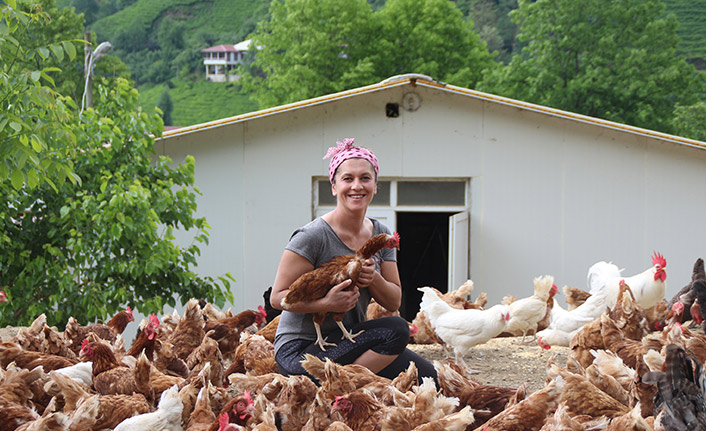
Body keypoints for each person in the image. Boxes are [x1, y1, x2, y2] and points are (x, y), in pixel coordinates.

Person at [270, 138, 437, 384]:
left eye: (365, 178)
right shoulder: (312, 236)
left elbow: (394, 301)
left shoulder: (381, 235)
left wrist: (374, 278)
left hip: (349, 341)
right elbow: (277, 297)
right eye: (348, 178)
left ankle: (340, 382)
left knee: (428, 378)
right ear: (334, 187)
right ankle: (346, 386)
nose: (357, 186)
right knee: (397, 332)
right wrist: (325, 303)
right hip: (301, 351)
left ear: (375, 186)